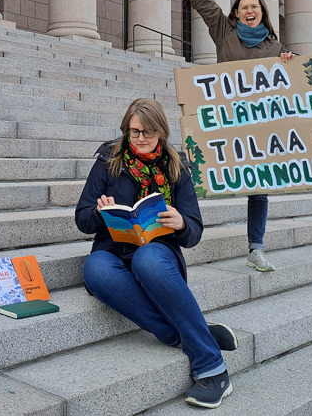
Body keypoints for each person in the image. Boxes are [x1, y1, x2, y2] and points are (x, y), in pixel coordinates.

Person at [76, 98, 236, 409]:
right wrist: (99, 212)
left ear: (161, 132)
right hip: (112, 248)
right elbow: (82, 219)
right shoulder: (108, 160)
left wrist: (181, 223)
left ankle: (212, 369)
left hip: (158, 254)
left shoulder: (176, 167)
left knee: (146, 258)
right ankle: (186, 331)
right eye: (134, 132)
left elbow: (194, 231)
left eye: (148, 132)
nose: (140, 139)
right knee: (95, 268)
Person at [173, 0, 297, 273]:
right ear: (237, 14)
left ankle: (256, 248)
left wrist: (289, 62)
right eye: (244, 7)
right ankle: (174, 233)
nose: (250, 10)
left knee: (259, 189)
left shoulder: (275, 47)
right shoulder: (224, 32)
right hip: (221, 122)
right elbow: (202, 1)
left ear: (262, 12)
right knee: (190, 171)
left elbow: (289, 85)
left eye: (255, 6)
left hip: (255, 128)